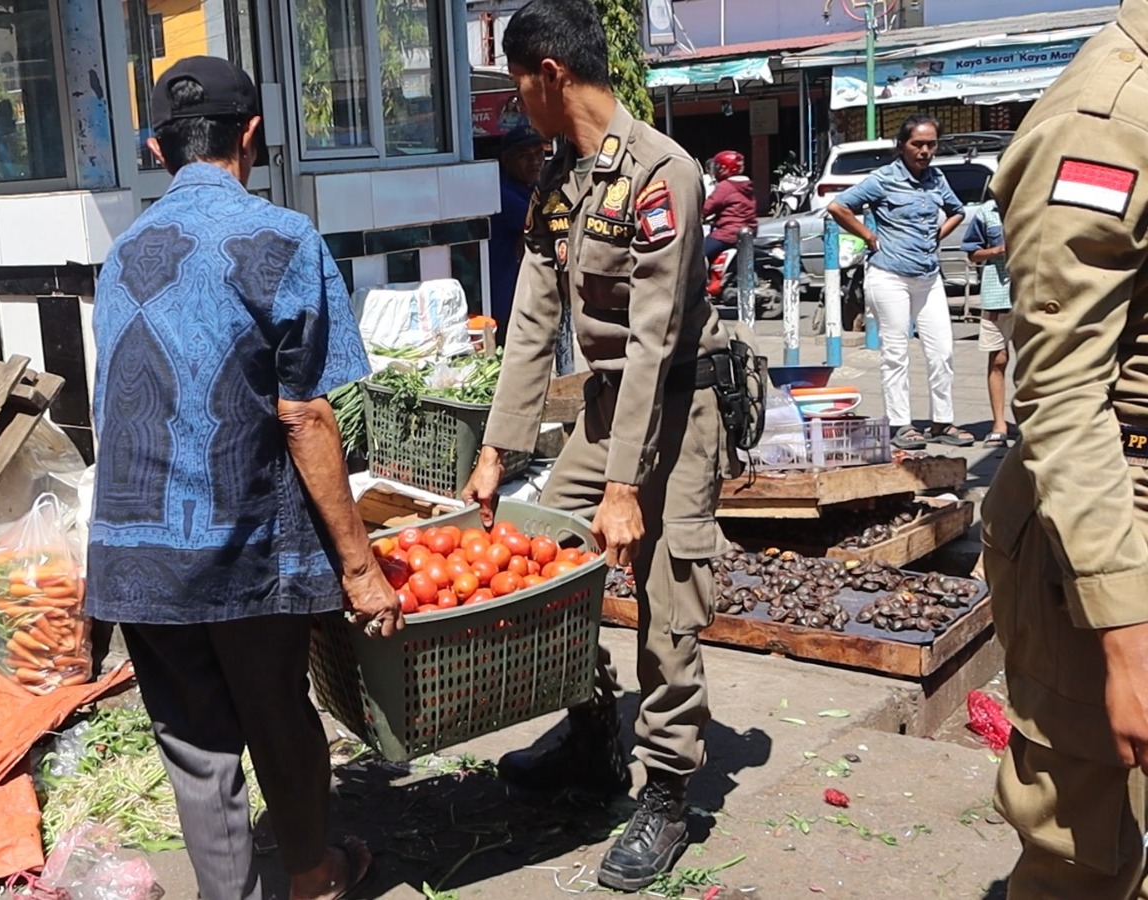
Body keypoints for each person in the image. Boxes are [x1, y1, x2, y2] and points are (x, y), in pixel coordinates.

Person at [87, 57, 403, 900]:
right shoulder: (283, 239)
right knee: (278, 715)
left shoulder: (120, 255)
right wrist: (360, 567)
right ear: (252, 133)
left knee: (195, 744)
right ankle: (313, 879)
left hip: (133, 553)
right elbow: (306, 417)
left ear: (157, 149)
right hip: (240, 544)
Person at [460, 0, 738, 890]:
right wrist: (497, 452)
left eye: (517, 85)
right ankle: (591, 736)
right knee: (542, 558)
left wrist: (625, 486)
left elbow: (655, 340)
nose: (516, 104)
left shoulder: (663, 172)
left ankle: (668, 793)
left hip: (679, 404)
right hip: (608, 405)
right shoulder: (561, 177)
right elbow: (531, 321)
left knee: (665, 596)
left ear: (551, 74)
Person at [982, 1, 1148, 895]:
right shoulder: (1111, 115)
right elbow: (1061, 391)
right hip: (1105, 529)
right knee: (1086, 859)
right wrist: (1128, 634)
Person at [828, 115, 971, 450]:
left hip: (928, 276)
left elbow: (957, 211)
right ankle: (900, 424)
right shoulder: (884, 179)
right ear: (902, 146)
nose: (924, 151)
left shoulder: (936, 179)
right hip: (889, 275)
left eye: (931, 145)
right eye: (917, 144)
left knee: (942, 351)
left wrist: (937, 235)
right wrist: (869, 236)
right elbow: (838, 207)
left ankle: (942, 422)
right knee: (895, 353)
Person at [489, 125, 550, 344]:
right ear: (507, 161)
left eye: (539, 153)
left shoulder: (532, 188)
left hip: (525, 298)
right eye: (524, 156)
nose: (534, 161)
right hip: (505, 301)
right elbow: (545, 223)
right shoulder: (501, 192)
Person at [960, 200, 1014, 447]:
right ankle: (999, 424)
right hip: (997, 294)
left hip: (1031, 294)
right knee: (998, 359)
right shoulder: (987, 212)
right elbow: (972, 252)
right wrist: (997, 251)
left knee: (1033, 363)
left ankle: (1032, 420)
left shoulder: (1034, 203)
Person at [701, 150, 756, 262]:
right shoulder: (747, 185)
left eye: (718, 167)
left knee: (698, 255)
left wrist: (698, 215)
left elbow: (707, 207)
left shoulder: (725, 186)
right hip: (749, 232)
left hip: (728, 234)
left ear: (725, 168)